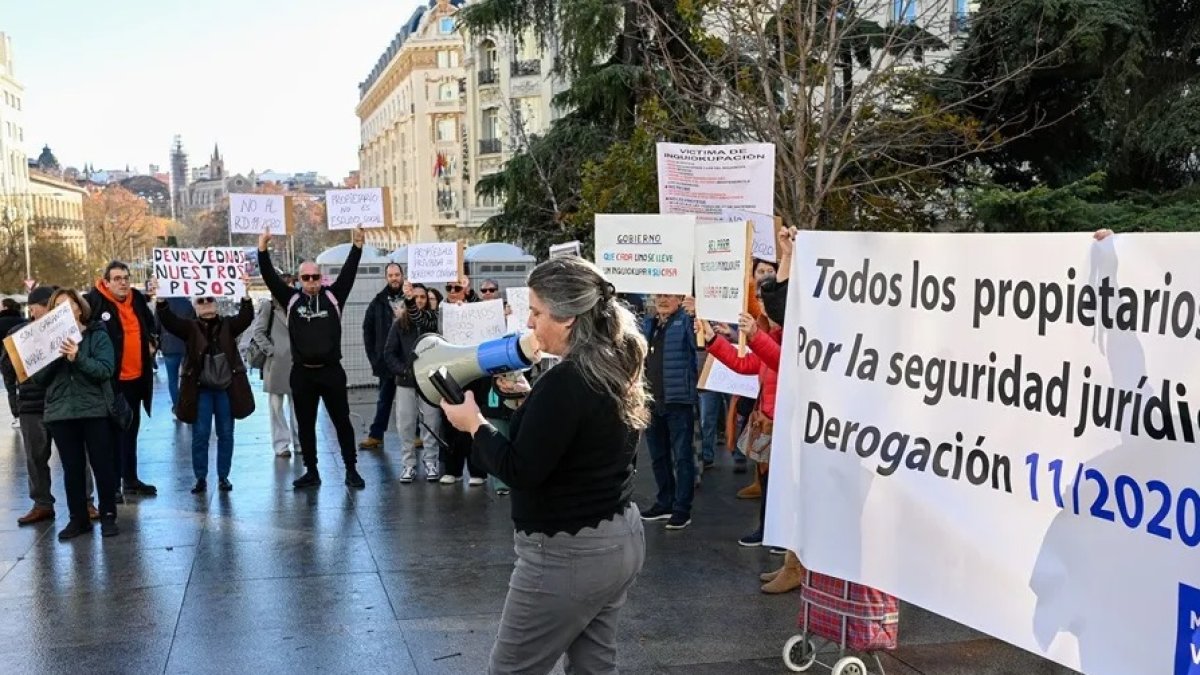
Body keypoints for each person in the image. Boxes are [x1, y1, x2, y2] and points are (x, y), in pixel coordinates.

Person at [440, 256, 647, 674]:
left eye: (536, 312)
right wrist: (527, 399)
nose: (529, 323)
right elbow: (574, 435)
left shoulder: (565, 381)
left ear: (568, 317)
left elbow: (520, 470)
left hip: (567, 554)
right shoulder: (612, 360)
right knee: (594, 666)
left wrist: (474, 425)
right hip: (619, 537)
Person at [257, 225, 367, 489]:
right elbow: (270, 277)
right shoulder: (291, 299)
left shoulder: (333, 296)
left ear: (321, 277)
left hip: (331, 371)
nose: (311, 282)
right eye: (305, 278)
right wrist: (262, 249)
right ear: (299, 279)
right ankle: (312, 471)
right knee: (305, 425)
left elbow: (349, 272)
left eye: (315, 277)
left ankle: (351, 469)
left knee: (342, 422)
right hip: (303, 373)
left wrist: (358, 246)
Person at [0, 286, 100, 524]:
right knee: (36, 457)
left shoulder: (70, 332)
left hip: (62, 403)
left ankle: (86, 502)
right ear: (33, 310)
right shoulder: (19, 334)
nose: (47, 312)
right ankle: (42, 503)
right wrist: (15, 404)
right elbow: (8, 370)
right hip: (32, 407)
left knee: (76, 455)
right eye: (43, 307)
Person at [34, 289, 120, 540]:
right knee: (72, 469)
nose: (64, 311)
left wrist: (78, 358)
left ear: (79, 309)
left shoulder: (96, 335)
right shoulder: (46, 340)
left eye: (68, 306)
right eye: (57, 307)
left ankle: (108, 516)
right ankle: (78, 519)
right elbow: (39, 378)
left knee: (102, 464)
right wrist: (56, 357)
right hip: (61, 413)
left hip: (94, 410)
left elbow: (105, 369)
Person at [156, 284, 256, 494]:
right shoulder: (190, 328)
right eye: (200, 301)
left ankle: (223, 477)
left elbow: (246, 317)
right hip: (201, 390)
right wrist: (161, 301)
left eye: (209, 299)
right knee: (200, 435)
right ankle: (200, 477)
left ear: (216, 303)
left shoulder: (228, 325)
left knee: (226, 433)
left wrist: (245, 293)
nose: (206, 304)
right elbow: (170, 322)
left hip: (226, 388)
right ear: (195, 306)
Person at [85, 261, 158, 499]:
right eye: (117, 278)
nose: (123, 282)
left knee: (131, 430)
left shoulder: (136, 298)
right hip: (111, 381)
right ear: (106, 281)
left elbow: (151, 325)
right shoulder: (93, 301)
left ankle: (131, 479)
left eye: (126, 277)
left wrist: (153, 342)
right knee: (112, 435)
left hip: (137, 378)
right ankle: (112, 486)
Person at [639, 294, 699, 530]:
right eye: (659, 295)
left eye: (668, 295)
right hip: (653, 400)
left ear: (679, 298)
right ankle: (665, 502)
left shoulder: (685, 321)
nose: (662, 300)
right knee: (658, 456)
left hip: (678, 400)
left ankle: (682, 508)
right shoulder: (648, 324)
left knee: (682, 457)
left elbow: (698, 343)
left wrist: (695, 315)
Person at [382, 280, 441, 482]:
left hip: (430, 382)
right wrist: (404, 370)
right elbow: (389, 353)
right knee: (405, 424)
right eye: (415, 297)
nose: (419, 300)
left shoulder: (433, 322)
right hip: (406, 382)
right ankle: (408, 464)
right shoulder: (399, 324)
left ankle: (431, 461)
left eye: (423, 297)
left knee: (432, 422)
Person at [438, 273, 488, 485]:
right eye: (448, 288)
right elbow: (422, 320)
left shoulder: (474, 308)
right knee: (449, 423)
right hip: (450, 372)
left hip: (475, 371)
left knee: (476, 419)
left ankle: (477, 471)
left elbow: (483, 314)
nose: (452, 292)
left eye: (456, 288)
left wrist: (469, 293)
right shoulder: (440, 311)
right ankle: (452, 469)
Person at [360, 262, 407, 450]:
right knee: (384, 400)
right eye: (391, 275)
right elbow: (367, 330)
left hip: (408, 359)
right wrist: (374, 357)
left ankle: (417, 433)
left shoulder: (412, 297)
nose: (394, 278)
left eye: (397, 274)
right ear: (386, 278)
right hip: (387, 361)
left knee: (412, 400)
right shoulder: (378, 302)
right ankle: (376, 435)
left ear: (402, 275)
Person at [251, 275, 299, 457]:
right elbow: (258, 332)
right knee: (276, 407)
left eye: (291, 286)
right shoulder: (268, 307)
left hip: (296, 363)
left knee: (299, 405)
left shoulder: (298, 306)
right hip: (276, 364)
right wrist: (272, 351)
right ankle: (281, 444)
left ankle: (300, 442)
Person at [157, 296, 195, 417]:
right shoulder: (187, 304)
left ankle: (177, 407)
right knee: (188, 378)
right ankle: (189, 406)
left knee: (172, 379)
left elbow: (156, 325)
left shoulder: (163, 303)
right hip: (185, 345)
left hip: (169, 345)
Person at [0, 297, 25, 425]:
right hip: (23, 357)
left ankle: (17, 415)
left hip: (6, 359)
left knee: (11, 389)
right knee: (24, 386)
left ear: (5, 307)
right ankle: (25, 412)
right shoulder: (23, 320)